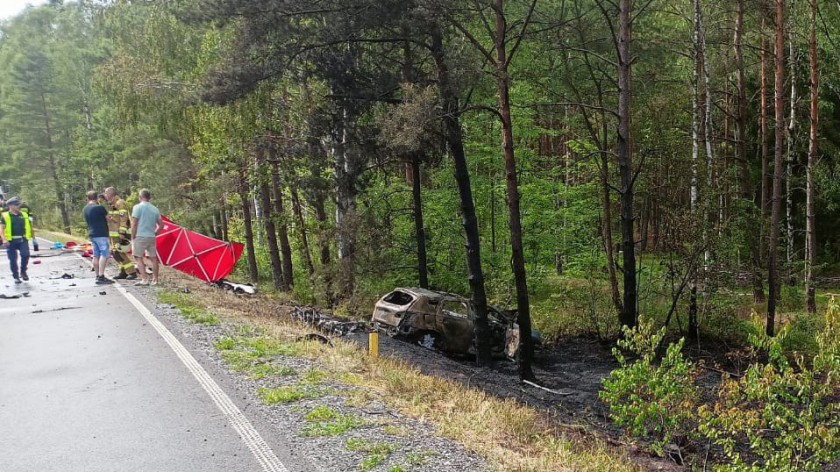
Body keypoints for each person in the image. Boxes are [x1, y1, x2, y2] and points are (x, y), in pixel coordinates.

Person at [103, 187, 137, 280]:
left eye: (106, 193)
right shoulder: (112, 204)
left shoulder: (120, 203)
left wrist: (122, 232)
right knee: (115, 253)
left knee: (119, 253)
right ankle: (123, 271)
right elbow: (114, 219)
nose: (105, 195)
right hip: (113, 233)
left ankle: (131, 271)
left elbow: (124, 219)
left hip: (119, 233)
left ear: (111, 194)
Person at [0, 197, 36, 283]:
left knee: (25, 255)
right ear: (10, 206)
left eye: (18, 204)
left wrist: (34, 239)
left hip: (23, 239)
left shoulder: (24, 215)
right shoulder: (5, 216)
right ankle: (16, 276)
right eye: (16, 205)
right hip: (10, 241)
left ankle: (23, 271)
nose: (18, 206)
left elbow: (30, 227)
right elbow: (1, 229)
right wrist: (4, 239)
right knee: (13, 259)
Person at [131, 188, 162, 286]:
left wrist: (133, 235)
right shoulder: (155, 209)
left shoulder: (137, 207)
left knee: (138, 257)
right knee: (153, 258)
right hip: (151, 236)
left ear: (140, 197)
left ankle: (144, 279)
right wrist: (155, 233)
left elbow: (134, 223)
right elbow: (161, 225)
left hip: (140, 236)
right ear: (149, 197)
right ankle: (155, 280)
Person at [83, 190, 114, 285]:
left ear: (87, 198)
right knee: (104, 254)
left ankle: (97, 275)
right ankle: (101, 276)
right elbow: (109, 219)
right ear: (96, 198)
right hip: (101, 233)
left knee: (96, 255)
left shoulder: (85, 209)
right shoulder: (100, 208)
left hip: (92, 233)